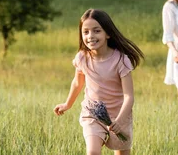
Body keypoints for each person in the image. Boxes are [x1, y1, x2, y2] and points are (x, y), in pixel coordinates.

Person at [54, 9, 144, 155]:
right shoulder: (82, 58)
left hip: (119, 115)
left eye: (96, 31)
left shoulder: (121, 60)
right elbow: (77, 83)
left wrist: (120, 121)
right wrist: (67, 104)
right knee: (92, 152)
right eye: (86, 32)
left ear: (107, 33)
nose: (90, 36)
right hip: (93, 114)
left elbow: (129, 96)